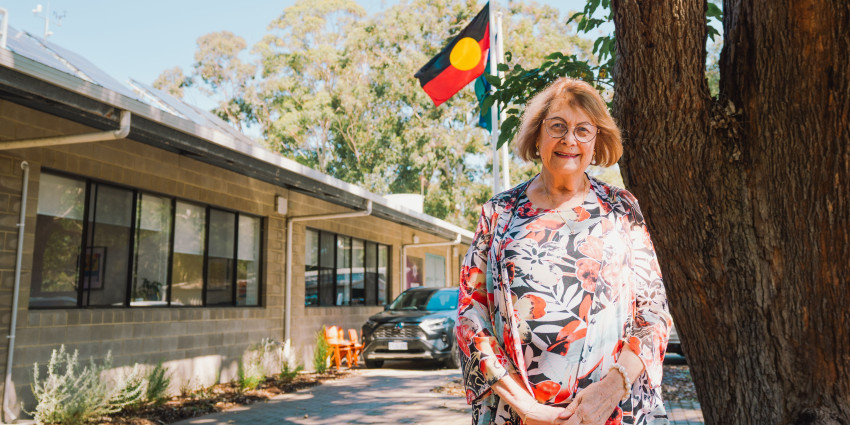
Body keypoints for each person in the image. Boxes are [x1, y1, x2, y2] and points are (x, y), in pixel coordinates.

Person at [456, 77, 672, 425]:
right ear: (537, 134)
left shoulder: (621, 207)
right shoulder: (499, 213)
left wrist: (612, 389)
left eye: (583, 130)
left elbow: (654, 313)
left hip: (613, 411)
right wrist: (527, 408)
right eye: (557, 126)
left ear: (596, 140)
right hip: (518, 414)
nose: (569, 140)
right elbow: (471, 318)